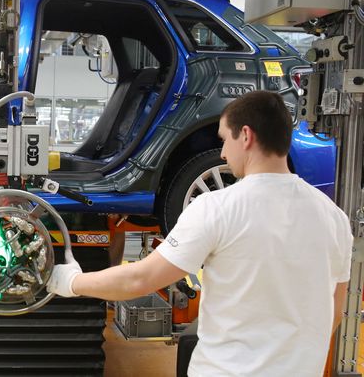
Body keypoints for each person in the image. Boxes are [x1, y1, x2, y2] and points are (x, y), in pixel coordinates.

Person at [47, 90, 353, 376]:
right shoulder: (334, 218)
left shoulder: (217, 208)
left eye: (224, 140)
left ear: (246, 136)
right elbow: (333, 314)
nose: (221, 154)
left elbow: (140, 279)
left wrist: (72, 281)